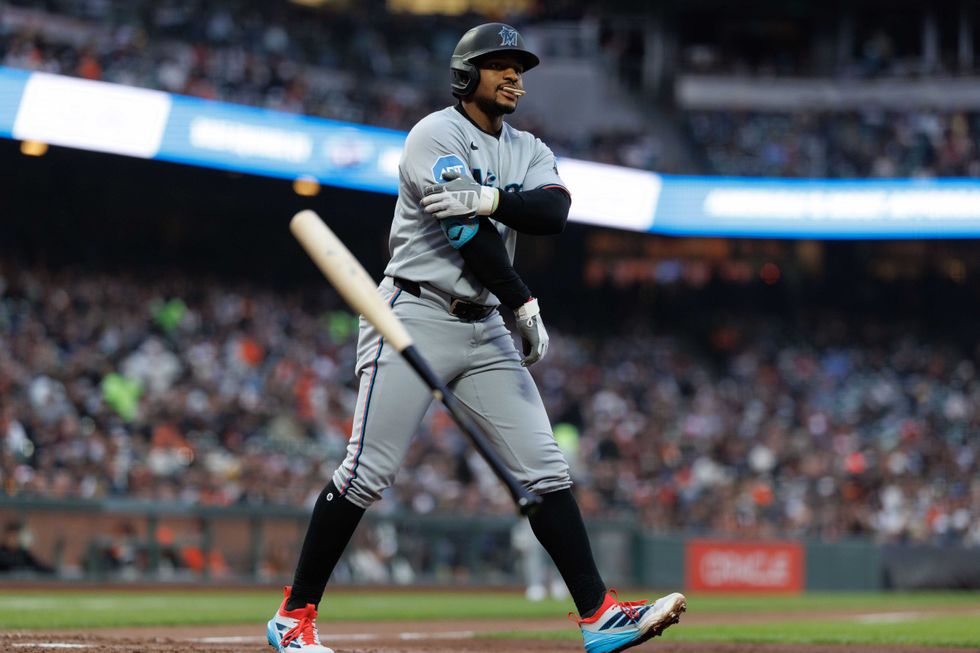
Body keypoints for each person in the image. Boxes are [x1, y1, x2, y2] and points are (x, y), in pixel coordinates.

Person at [266, 23, 686, 653]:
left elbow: (554, 212)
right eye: (500, 65)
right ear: (467, 75)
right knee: (365, 473)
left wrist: (490, 196)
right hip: (413, 312)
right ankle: (293, 617)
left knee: (545, 469)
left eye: (519, 66)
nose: (515, 75)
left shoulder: (528, 147)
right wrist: (522, 295)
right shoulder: (434, 134)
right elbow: (466, 236)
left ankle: (597, 615)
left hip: (485, 324)